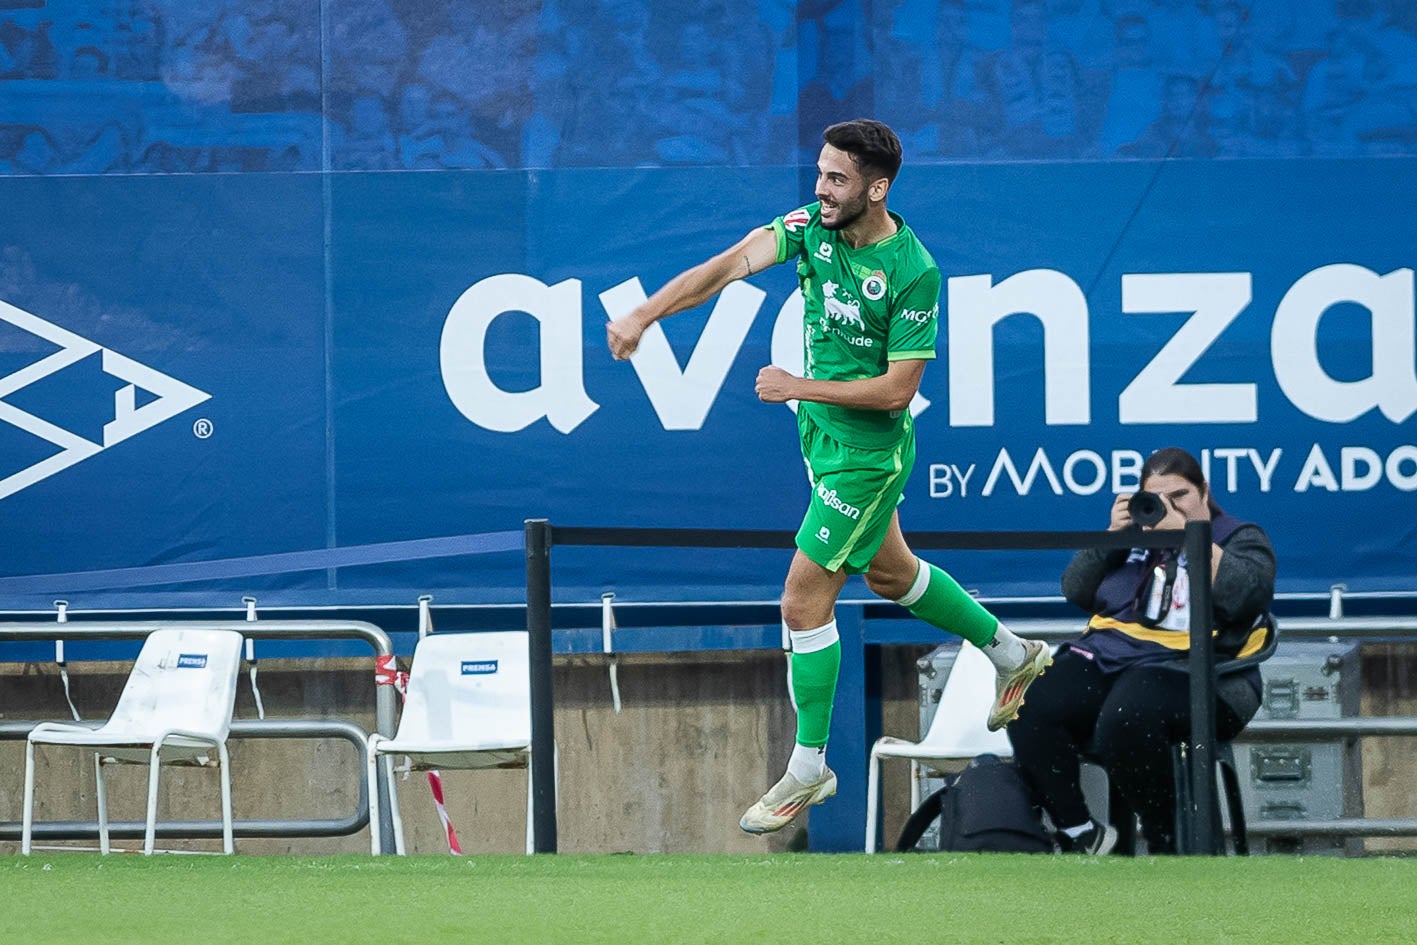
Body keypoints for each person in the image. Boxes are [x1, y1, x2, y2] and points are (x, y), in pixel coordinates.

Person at [606, 118, 1051, 835]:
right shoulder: (810, 228)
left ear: (877, 189)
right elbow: (725, 267)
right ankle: (1013, 652)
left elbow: (897, 390)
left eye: (836, 178)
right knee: (890, 573)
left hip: (867, 457)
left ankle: (808, 766)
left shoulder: (913, 270)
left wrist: (796, 385)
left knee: (801, 600)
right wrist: (646, 313)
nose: (820, 188)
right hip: (821, 439)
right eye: (818, 173)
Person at [1008, 447, 1276, 855]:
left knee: (1127, 713)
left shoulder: (1239, 536)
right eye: (1157, 499)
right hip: (1112, 660)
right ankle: (1081, 832)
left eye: (1181, 496)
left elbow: (1249, 595)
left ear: (1205, 491)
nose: (1169, 508)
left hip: (1204, 672)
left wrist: (1191, 537)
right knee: (1029, 701)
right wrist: (1112, 538)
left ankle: (1164, 844)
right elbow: (1075, 590)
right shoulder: (1135, 537)